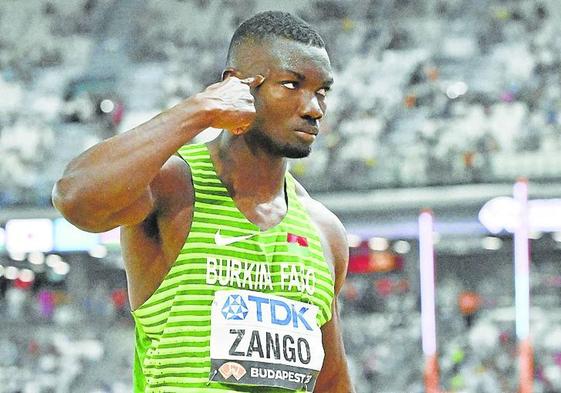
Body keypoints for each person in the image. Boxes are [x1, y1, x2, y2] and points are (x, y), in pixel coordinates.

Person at [53, 10, 354, 393]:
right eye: (292, 84)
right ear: (238, 85)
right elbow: (75, 198)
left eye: (322, 91)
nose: (314, 108)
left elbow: (330, 381)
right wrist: (201, 110)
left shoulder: (324, 231)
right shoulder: (173, 185)